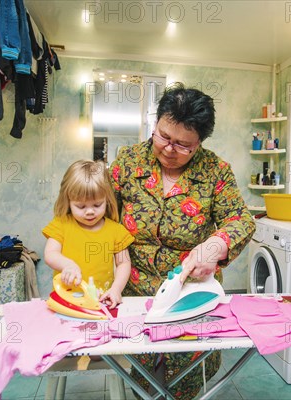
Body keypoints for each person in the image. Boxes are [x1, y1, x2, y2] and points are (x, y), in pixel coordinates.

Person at [110, 82, 256, 398]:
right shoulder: (128, 161)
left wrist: (215, 246)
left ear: (200, 142)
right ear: (156, 122)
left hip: (192, 290)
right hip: (136, 289)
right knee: (145, 374)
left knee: (187, 378)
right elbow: (103, 212)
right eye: (163, 136)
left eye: (184, 145)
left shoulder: (216, 171)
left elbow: (240, 219)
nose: (169, 149)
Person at [43, 160, 134, 308]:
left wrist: (116, 290)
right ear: (68, 201)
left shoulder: (116, 230)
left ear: (107, 200)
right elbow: (50, 254)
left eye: (97, 205)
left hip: (101, 301)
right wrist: (68, 265)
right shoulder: (61, 224)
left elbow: (123, 262)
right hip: (67, 299)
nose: (90, 211)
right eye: (80, 206)